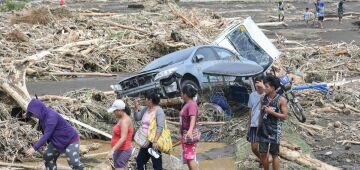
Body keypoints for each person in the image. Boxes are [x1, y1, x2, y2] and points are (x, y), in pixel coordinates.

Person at [25, 99, 84, 170]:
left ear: (38, 110)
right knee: (47, 156)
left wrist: (34, 148)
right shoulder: (42, 117)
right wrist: (38, 141)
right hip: (57, 141)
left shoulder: (51, 117)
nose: (33, 116)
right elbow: (45, 132)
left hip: (70, 140)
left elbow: (47, 134)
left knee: (73, 162)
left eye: (33, 114)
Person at [257, 75, 288, 170]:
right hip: (263, 129)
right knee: (262, 154)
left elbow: (285, 116)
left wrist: (272, 112)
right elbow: (261, 113)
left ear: (273, 87)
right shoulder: (263, 98)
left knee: (274, 154)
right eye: (264, 86)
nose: (264, 88)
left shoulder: (281, 100)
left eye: (266, 86)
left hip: (275, 130)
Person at [134, 92, 165, 170]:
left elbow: (160, 127)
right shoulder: (146, 108)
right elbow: (137, 118)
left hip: (154, 141)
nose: (145, 101)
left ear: (150, 100)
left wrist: (155, 141)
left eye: (146, 99)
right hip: (146, 140)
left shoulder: (159, 111)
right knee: (140, 161)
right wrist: (136, 107)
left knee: (157, 165)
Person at [107, 100, 134, 170]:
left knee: (119, 167)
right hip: (122, 150)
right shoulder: (123, 118)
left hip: (122, 150)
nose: (113, 113)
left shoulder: (124, 121)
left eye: (114, 111)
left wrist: (112, 150)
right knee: (124, 167)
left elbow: (123, 138)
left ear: (119, 110)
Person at [247, 76, 265, 169]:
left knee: (263, 147)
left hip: (264, 126)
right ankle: (263, 160)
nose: (257, 85)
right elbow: (250, 111)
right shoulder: (252, 95)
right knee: (254, 148)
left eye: (259, 83)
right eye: (256, 83)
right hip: (254, 124)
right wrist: (249, 126)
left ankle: (264, 164)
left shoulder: (267, 94)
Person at [180, 85, 200, 170]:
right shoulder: (187, 104)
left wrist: (190, 130)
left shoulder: (191, 104)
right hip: (185, 133)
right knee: (188, 158)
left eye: (182, 92)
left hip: (189, 134)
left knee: (190, 158)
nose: (181, 94)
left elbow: (193, 117)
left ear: (185, 94)